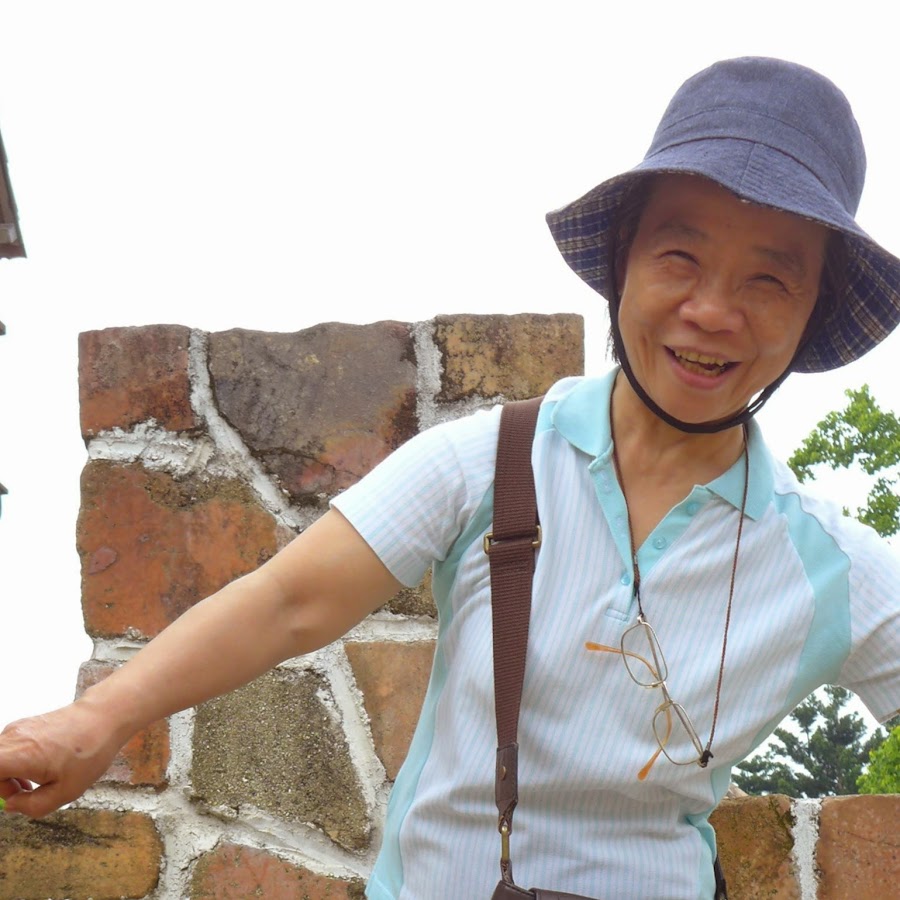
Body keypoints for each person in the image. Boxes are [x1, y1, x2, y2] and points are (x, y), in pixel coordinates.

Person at [1, 57, 898, 899]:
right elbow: (288, 601)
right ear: (623, 260)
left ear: (811, 312)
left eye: (769, 280)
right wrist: (96, 722)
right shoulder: (492, 463)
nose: (712, 310)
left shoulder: (827, 565)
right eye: (680, 257)